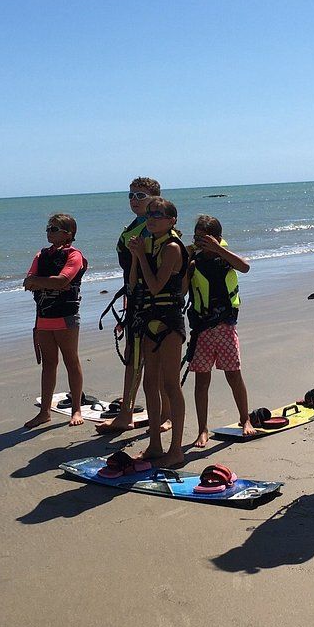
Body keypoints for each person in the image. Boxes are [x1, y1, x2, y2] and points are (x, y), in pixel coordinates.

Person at [96, 177, 163, 433]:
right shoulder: (135, 226)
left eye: (140, 196)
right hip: (134, 297)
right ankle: (128, 412)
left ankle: (160, 414)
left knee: (153, 359)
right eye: (131, 195)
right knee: (133, 357)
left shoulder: (155, 228)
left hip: (153, 301)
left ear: (155, 198)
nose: (134, 200)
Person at [127, 196, 188, 467]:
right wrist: (135, 257)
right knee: (150, 382)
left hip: (169, 321)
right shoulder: (149, 244)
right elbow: (134, 283)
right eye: (149, 214)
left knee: (170, 384)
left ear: (171, 220)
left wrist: (141, 255)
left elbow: (155, 286)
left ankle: (176, 450)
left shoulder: (172, 248)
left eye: (157, 215)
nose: (151, 218)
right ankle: (154, 444)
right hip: (148, 319)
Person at [185, 215, 252, 447]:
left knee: (234, 375)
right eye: (197, 238)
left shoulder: (226, 258)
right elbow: (182, 291)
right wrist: (186, 266)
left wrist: (218, 249)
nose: (200, 242)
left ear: (217, 238)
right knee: (201, 381)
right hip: (202, 328)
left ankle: (245, 419)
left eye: (205, 238)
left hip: (225, 326)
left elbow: (245, 267)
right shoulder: (193, 260)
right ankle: (202, 429)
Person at [22, 213, 88, 428]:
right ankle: (44, 412)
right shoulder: (41, 255)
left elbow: (62, 281)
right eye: (48, 228)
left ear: (68, 233)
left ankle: (76, 409)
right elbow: (27, 282)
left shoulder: (74, 255)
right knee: (48, 364)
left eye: (54, 229)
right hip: (43, 317)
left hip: (66, 315)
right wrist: (42, 282)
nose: (49, 232)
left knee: (71, 361)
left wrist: (39, 281)